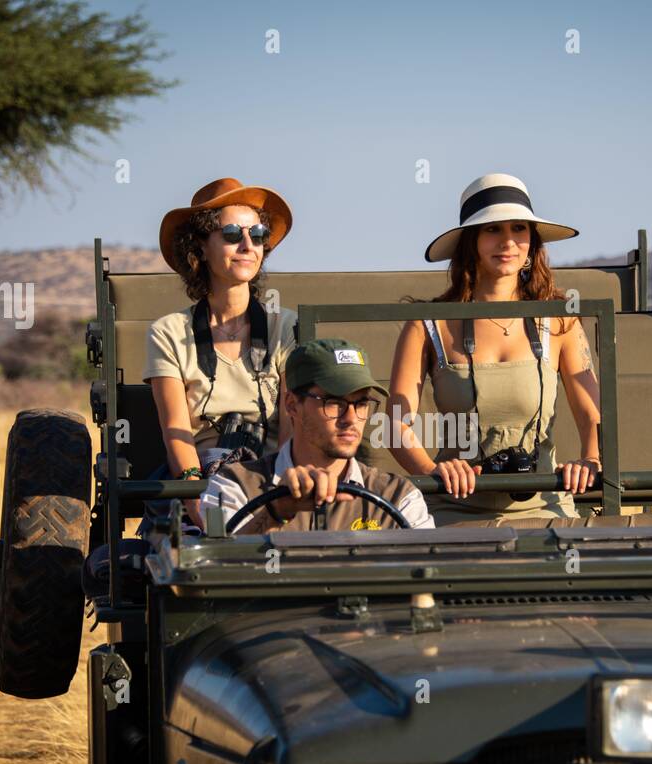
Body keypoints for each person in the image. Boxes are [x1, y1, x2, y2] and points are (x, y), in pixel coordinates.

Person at [387, 173, 603, 525]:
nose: (508, 241)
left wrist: (590, 459)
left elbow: (592, 414)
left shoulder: (560, 321)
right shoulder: (427, 324)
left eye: (519, 228)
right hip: (453, 506)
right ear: (470, 242)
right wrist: (433, 472)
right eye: (492, 229)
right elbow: (396, 424)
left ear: (532, 242)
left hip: (544, 504)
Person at [143, 177, 299, 530]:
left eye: (257, 234)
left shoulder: (286, 327)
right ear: (200, 246)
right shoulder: (168, 332)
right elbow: (176, 431)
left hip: (273, 478)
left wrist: (279, 498)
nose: (248, 245)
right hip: (203, 477)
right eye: (231, 234)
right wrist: (197, 499)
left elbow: (293, 425)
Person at [204, 338, 435, 533]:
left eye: (362, 403)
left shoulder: (399, 496)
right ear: (292, 405)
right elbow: (219, 564)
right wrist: (276, 512)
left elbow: (427, 568)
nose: (351, 418)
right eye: (334, 402)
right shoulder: (234, 484)